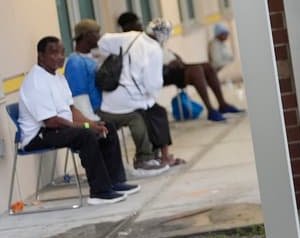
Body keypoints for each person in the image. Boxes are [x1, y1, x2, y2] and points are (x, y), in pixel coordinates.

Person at [18, 37, 139, 205]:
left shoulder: (58, 78)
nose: (60, 57)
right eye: (54, 53)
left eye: (62, 52)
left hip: (58, 128)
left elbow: (72, 110)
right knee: (85, 134)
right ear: (40, 56)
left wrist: (93, 123)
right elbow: (51, 122)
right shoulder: (36, 82)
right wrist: (87, 126)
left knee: (106, 127)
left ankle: (115, 182)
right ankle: (99, 192)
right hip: (38, 135)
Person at [65, 19, 167, 176]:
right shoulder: (75, 62)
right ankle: (143, 160)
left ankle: (151, 156)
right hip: (94, 111)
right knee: (134, 117)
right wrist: (90, 120)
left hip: (105, 105)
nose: (100, 36)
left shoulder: (91, 57)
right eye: (96, 33)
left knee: (147, 111)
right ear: (85, 36)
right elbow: (78, 97)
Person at [117, 12, 242, 122]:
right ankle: (211, 110)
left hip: (173, 67)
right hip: (161, 73)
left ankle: (223, 104)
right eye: (137, 23)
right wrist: (166, 63)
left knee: (207, 67)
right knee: (196, 71)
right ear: (127, 27)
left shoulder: (144, 37)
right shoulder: (127, 43)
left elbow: (162, 50)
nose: (140, 26)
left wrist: (175, 57)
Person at [98, 17, 185, 167]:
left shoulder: (131, 36)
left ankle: (158, 155)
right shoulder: (155, 49)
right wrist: (151, 96)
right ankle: (161, 157)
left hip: (110, 97)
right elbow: (153, 84)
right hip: (129, 100)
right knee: (158, 112)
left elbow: (103, 42)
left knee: (153, 111)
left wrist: (113, 55)